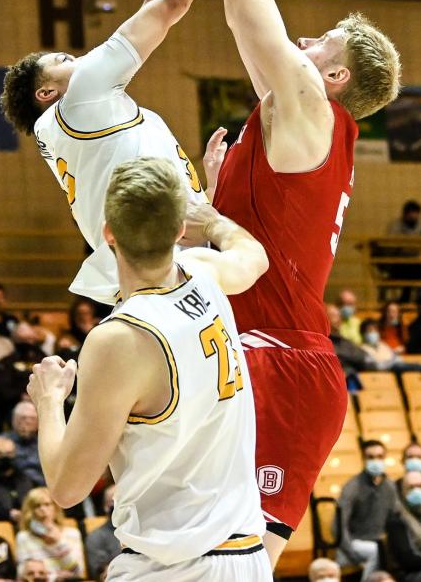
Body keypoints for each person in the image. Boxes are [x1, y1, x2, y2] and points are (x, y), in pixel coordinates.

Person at [206, 0, 401, 566]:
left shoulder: (317, 113)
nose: (303, 43)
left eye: (317, 42)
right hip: (249, 350)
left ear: (338, 79)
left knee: (226, 566)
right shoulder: (288, 125)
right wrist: (208, 195)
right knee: (183, 555)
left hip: (284, 362)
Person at [27, 156, 271, 579]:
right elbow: (255, 257)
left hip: (171, 566)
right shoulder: (204, 274)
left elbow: (67, 487)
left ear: (108, 234)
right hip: (247, 558)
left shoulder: (117, 339)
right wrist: (212, 221)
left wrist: (48, 402)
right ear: (179, 231)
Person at [0, 0, 222, 309]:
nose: (81, 59)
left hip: (158, 276)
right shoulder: (81, 99)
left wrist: (212, 189)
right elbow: (169, 2)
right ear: (46, 93)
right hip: (165, 277)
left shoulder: (80, 129)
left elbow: (190, 219)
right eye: (65, 60)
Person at [336, 439, 399, 576]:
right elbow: (339, 525)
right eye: (370, 457)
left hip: (380, 541)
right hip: (354, 543)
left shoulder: (390, 486)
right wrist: (350, 553)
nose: (375, 461)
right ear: (363, 459)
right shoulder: (352, 486)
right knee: (377, 550)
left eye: (380, 457)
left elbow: (397, 516)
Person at [379, 201, 421, 302]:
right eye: (412, 214)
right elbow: (390, 246)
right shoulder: (395, 226)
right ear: (405, 214)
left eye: (417, 215)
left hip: (413, 262)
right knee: (410, 272)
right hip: (396, 263)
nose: (414, 217)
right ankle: (406, 299)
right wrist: (406, 243)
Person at [13, 488, 85, 580]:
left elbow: (77, 572)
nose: (43, 509)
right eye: (37, 506)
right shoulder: (23, 537)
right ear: (31, 512)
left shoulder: (72, 534)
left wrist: (58, 543)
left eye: (47, 505)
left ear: (55, 508)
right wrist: (55, 577)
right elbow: (23, 574)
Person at [0, 435, 37, 523]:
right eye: (0, 454)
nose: (5, 457)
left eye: (9, 453)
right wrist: (8, 514)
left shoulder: (23, 477)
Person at [84, 484, 121, 579]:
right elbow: (100, 574)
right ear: (106, 507)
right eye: (114, 502)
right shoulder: (96, 536)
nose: (119, 506)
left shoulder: (140, 531)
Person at [3, 402, 44, 487]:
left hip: (44, 489)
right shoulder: (2, 442)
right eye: (23, 418)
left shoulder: (44, 442)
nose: (27, 422)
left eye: (32, 418)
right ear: (14, 420)